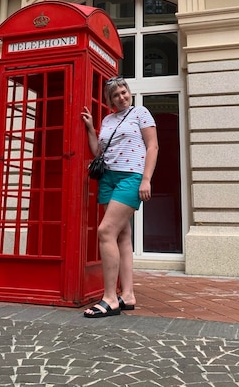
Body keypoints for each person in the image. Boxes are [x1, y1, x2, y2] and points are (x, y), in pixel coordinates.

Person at [81, 76, 159, 318]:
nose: (121, 97)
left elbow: (152, 146)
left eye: (124, 92)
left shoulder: (141, 112)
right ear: (110, 100)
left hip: (130, 177)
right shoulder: (107, 119)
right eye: (116, 95)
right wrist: (91, 128)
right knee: (123, 236)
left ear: (129, 92)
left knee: (106, 231)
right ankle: (128, 294)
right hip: (108, 178)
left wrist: (146, 179)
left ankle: (110, 298)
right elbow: (98, 152)